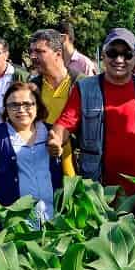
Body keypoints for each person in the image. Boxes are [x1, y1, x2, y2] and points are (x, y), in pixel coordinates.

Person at [48, 28, 135, 199]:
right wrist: (56, 138)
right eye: (112, 53)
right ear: (103, 55)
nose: (119, 59)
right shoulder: (85, 88)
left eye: (126, 54)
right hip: (100, 188)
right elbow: (66, 121)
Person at [0, 82, 61, 223]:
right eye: (14, 105)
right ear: (6, 109)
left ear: (37, 106)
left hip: (52, 219)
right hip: (14, 223)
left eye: (28, 104)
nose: (21, 110)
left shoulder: (51, 134)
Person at [28, 29, 83, 177]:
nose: (33, 56)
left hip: (77, 167)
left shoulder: (82, 84)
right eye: (31, 51)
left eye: (40, 51)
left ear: (58, 54)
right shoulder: (33, 87)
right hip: (43, 166)